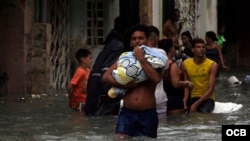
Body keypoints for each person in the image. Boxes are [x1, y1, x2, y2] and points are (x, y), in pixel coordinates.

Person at [102, 24, 162, 139]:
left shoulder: (156, 59)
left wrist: (141, 59)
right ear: (130, 42)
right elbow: (106, 76)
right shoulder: (124, 58)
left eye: (141, 38)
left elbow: (156, 78)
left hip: (147, 113)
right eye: (134, 39)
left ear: (147, 41)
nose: (137, 41)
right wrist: (124, 86)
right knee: (120, 138)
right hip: (127, 112)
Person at [84, 16, 129, 116]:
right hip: (103, 91)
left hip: (95, 86)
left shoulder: (110, 42)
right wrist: (107, 94)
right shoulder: (117, 45)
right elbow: (106, 69)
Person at [182, 38, 218, 113]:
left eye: (203, 47)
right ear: (193, 49)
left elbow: (211, 89)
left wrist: (196, 104)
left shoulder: (212, 65)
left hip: (207, 98)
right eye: (198, 47)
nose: (201, 49)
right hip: (192, 97)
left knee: (202, 112)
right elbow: (186, 87)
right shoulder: (185, 64)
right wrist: (184, 101)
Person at [158, 39, 193, 116]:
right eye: (173, 47)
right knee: (176, 123)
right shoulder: (172, 65)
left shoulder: (158, 64)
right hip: (174, 100)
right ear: (171, 49)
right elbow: (176, 83)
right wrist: (188, 83)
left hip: (161, 99)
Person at [148, 25, 168, 118]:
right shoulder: (161, 53)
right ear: (156, 38)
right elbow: (166, 75)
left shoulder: (135, 53)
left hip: (142, 98)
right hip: (159, 97)